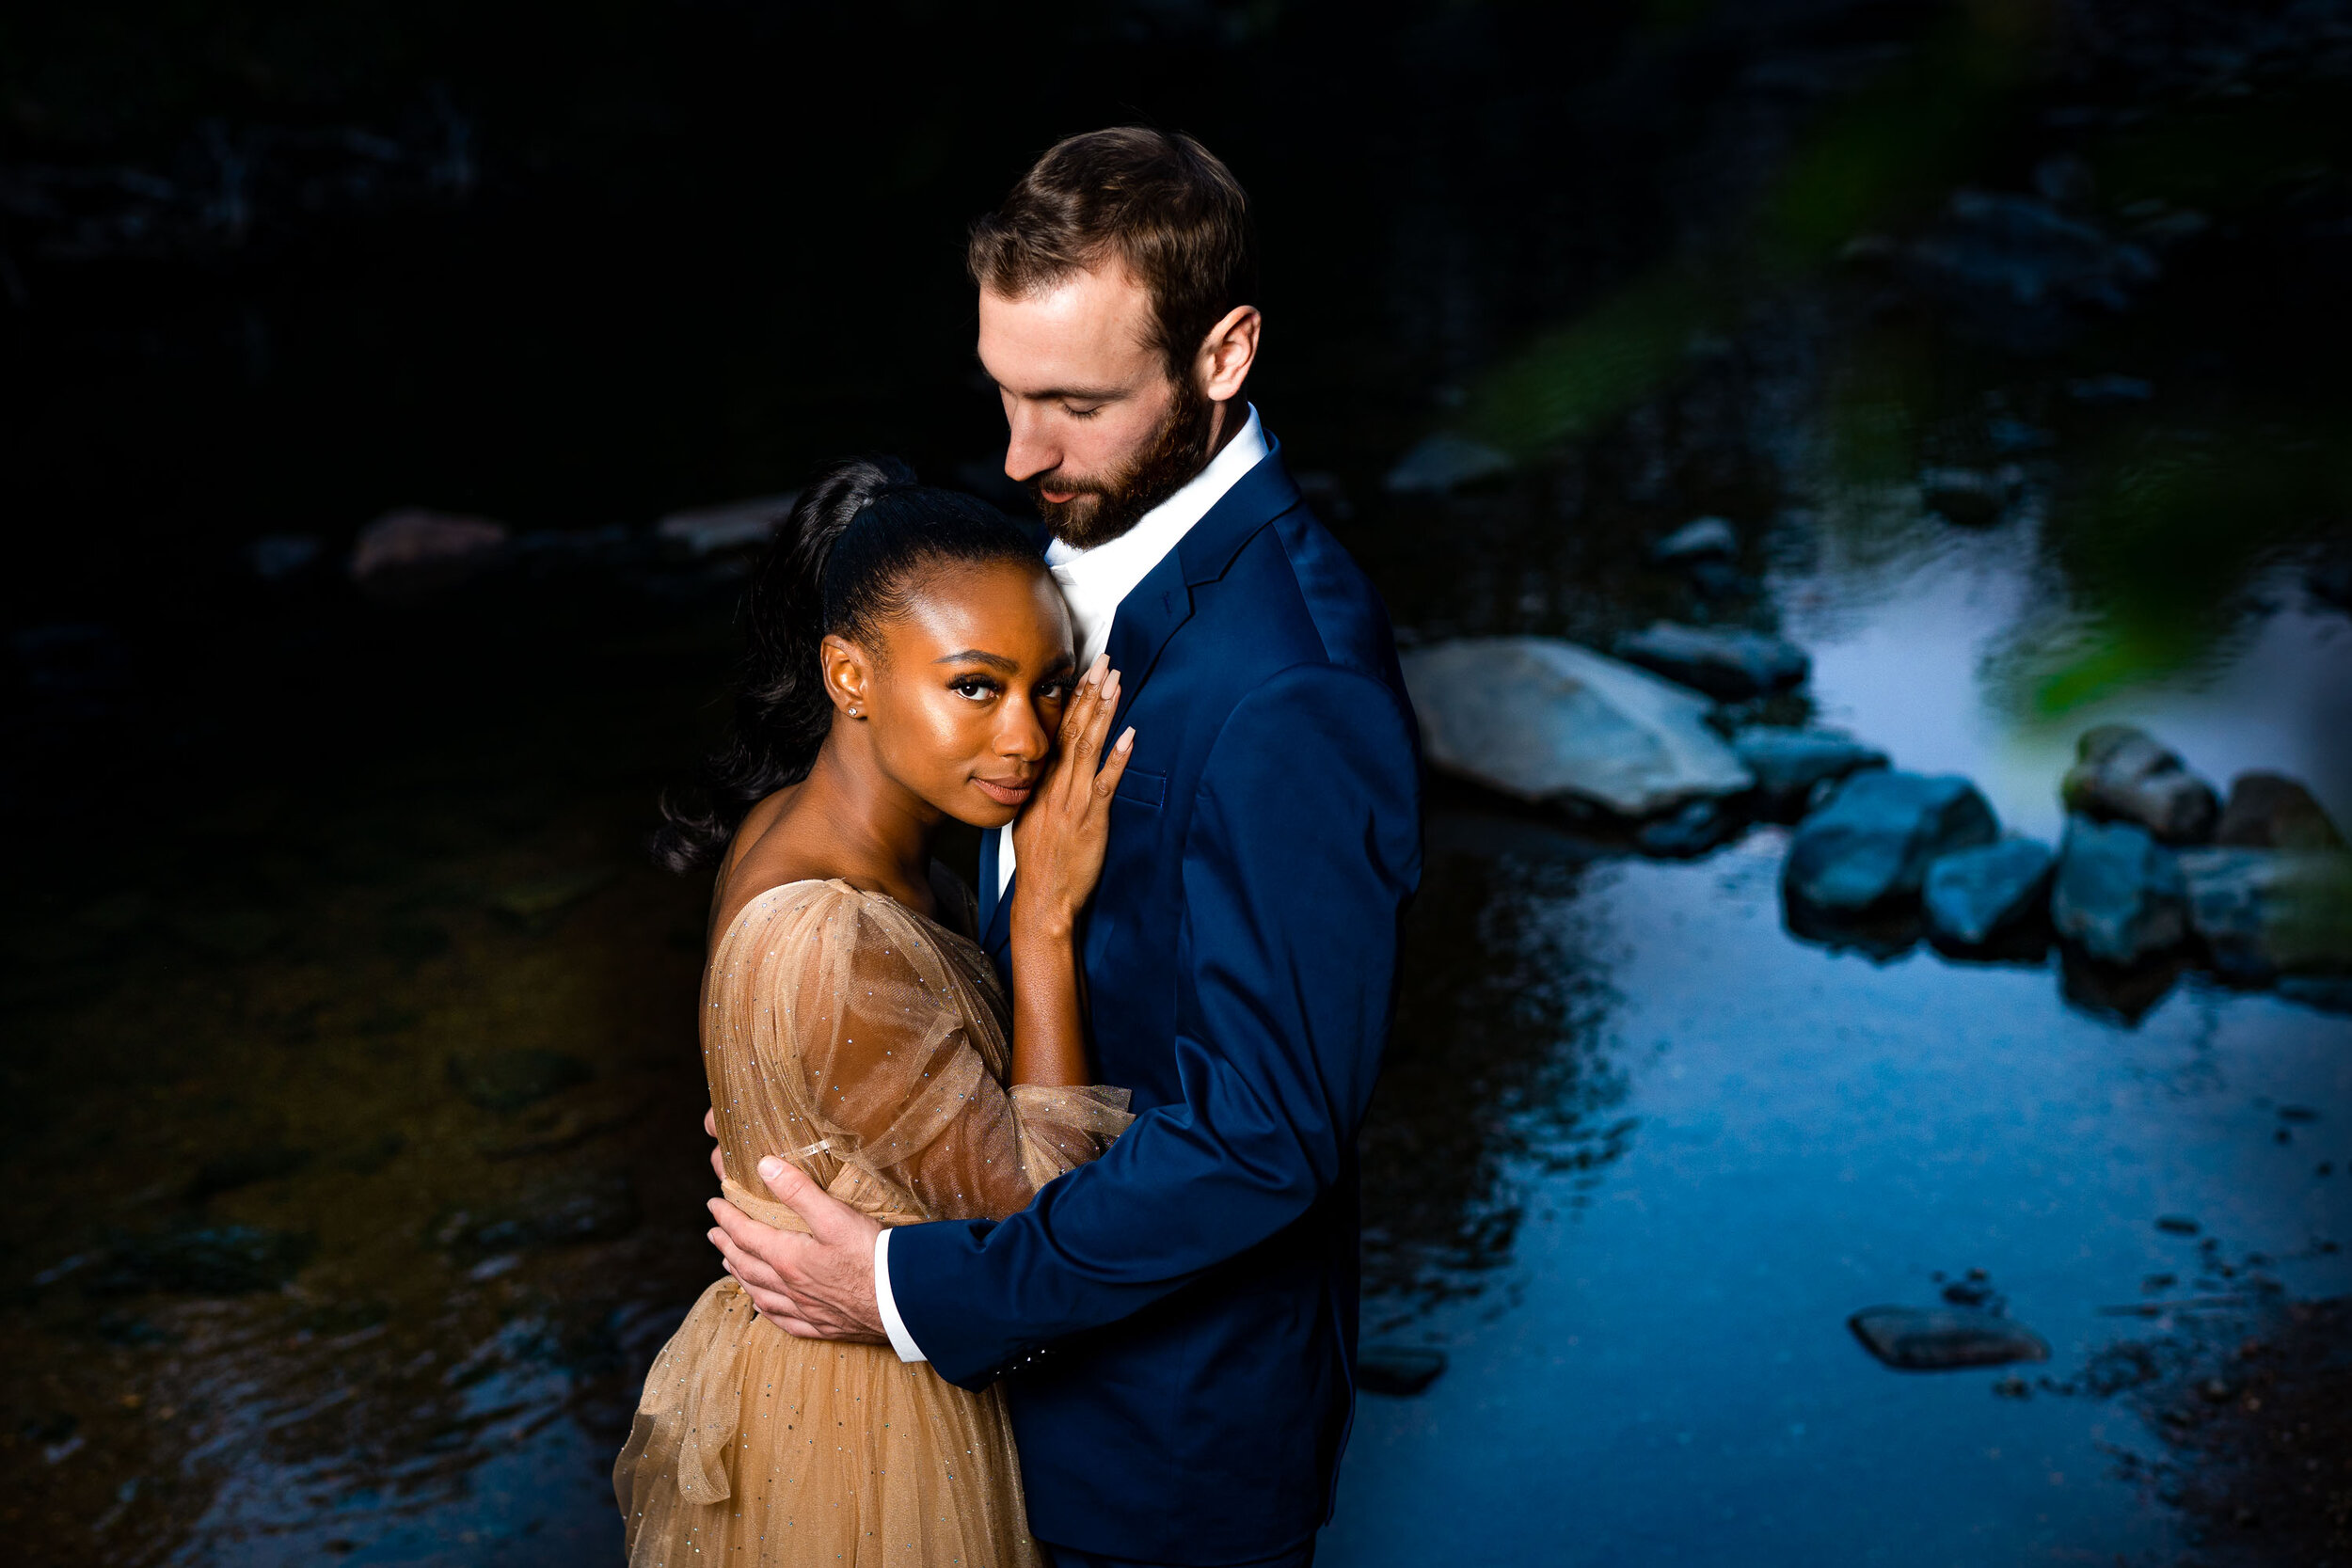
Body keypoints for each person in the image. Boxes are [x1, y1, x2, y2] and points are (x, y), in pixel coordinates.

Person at [706, 129, 1423, 1568]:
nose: (1023, 455)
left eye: (1075, 403)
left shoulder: (1294, 690)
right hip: (969, 1405)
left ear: (1223, 356)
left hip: (1157, 1447)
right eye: (1005, 393)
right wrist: (817, 1110)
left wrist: (911, 1283)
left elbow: (1263, 1136)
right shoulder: (1052, 550)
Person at [613, 459, 1148, 1566]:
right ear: (850, 675)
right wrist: (1043, 919)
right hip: (868, 1431)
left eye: (1051, 684)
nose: (1031, 739)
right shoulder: (836, 936)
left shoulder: (795, 820)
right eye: (975, 686)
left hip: (841, 1375)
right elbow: (1039, 1228)